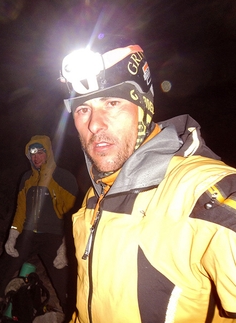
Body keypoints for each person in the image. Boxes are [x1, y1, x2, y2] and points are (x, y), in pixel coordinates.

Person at [58, 32, 236, 323]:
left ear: (144, 108)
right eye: (83, 109)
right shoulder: (95, 196)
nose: (94, 123)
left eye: (112, 103)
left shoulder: (203, 192)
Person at [0, 135, 79, 318]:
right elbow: (20, 210)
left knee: (65, 282)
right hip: (29, 234)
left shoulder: (62, 177)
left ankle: (73, 316)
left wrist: (66, 245)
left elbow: (75, 214)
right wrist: (13, 236)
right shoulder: (26, 179)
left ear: (48, 153)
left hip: (54, 236)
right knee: (2, 270)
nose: (36, 157)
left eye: (40, 152)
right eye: (32, 153)